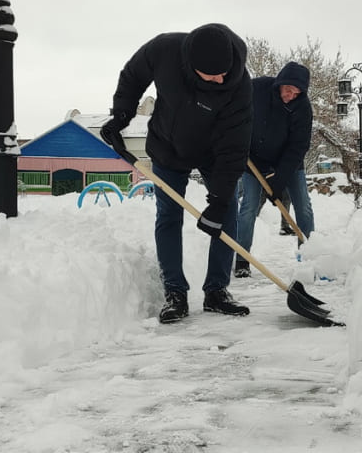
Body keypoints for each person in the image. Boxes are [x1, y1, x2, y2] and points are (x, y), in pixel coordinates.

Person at [100, 23, 253, 324]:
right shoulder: (164, 51)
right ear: (192, 67)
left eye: (225, 72)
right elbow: (132, 77)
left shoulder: (239, 86)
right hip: (168, 147)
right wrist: (120, 116)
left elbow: (234, 148)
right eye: (213, 74)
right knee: (169, 215)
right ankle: (175, 292)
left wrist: (219, 201)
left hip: (214, 154)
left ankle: (217, 291)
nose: (221, 78)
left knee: (228, 213)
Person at [234, 61, 315, 278]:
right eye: (288, 90)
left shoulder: (303, 108)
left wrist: (278, 180)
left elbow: (298, 146)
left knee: (303, 207)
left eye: (296, 93)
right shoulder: (257, 89)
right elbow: (234, 109)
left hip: (289, 164)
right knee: (248, 206)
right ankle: (242, 259)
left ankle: (308, 256)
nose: (290, 96)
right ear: (280, 83)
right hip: (253, 159)